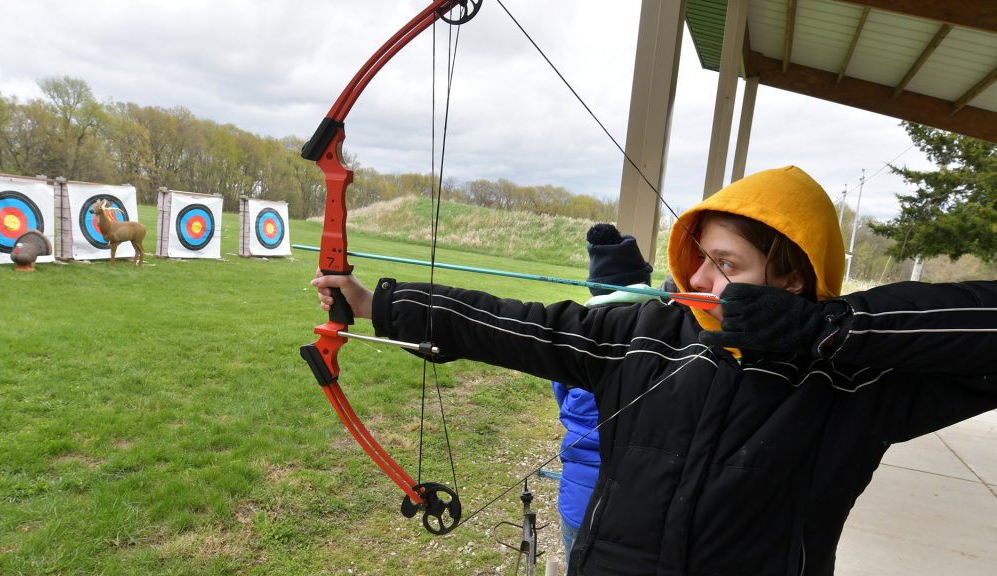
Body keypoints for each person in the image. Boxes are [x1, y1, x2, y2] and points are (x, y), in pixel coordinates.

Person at [313, 165, 997, 576]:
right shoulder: (645, 335)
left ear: (790, 277)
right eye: (700, 255)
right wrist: (383, 304)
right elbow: (524, 326)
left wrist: (826, 330)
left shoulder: (854, 384)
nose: (695, 277)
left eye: (727, 264)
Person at [554, 223, 657, 571]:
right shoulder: (663, 332)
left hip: (578, 498)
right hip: (641, 503)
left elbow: (562, 394)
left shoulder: (579, 332)